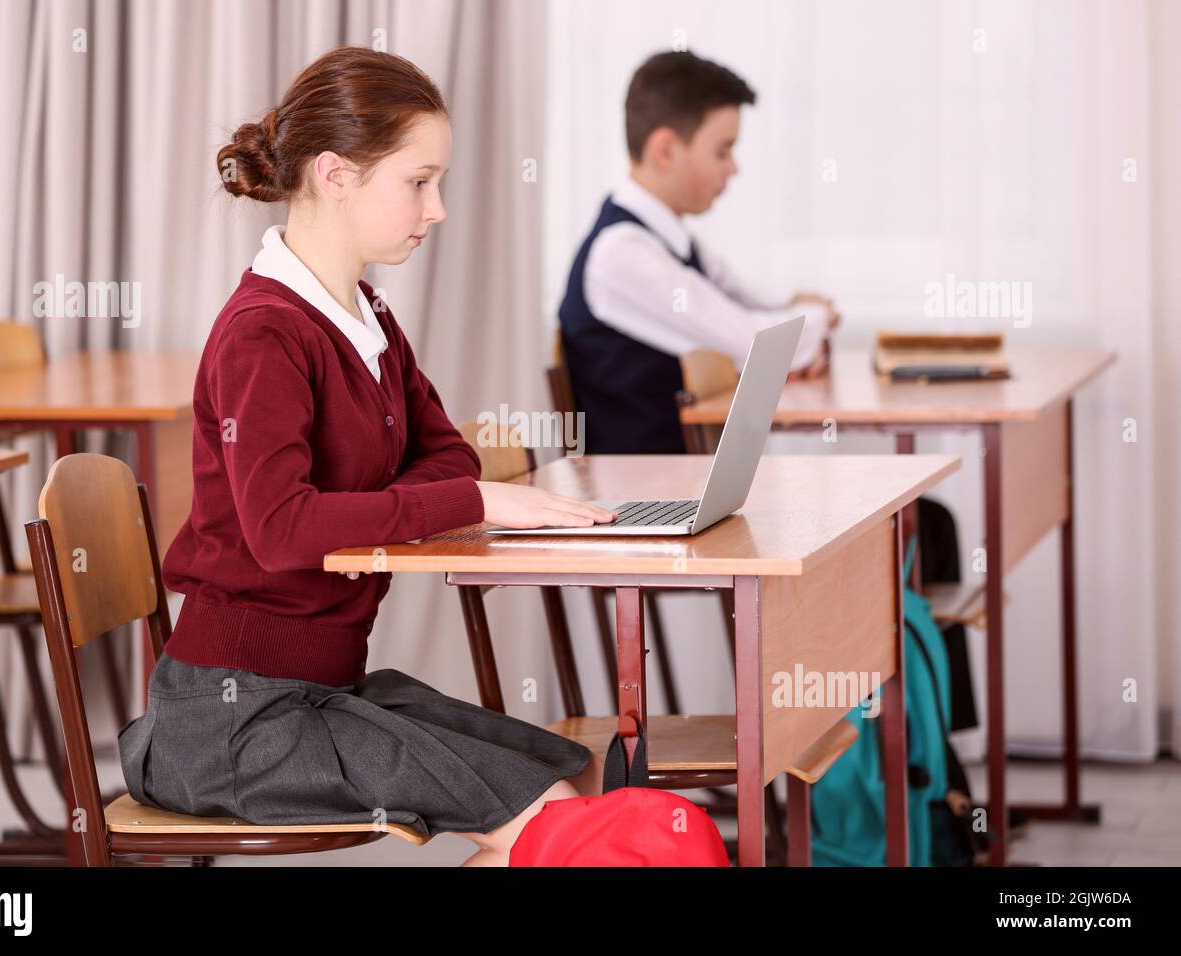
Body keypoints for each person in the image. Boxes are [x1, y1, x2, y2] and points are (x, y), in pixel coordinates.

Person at [117, 47, 613, 867]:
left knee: (576, 774)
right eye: (418, 182)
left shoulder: (367, 320)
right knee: (552, 818)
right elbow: (282, 530)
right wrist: (478, 503)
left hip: (321, 690)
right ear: (336, 174)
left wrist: (424, 495)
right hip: (234, 719)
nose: (439, 207)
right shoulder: (263, 333)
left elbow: (449, 456)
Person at [559, 50, 840, 454]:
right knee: (916, 514)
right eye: (723, 151)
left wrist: (801, 318)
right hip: (647, 494)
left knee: (918, 514)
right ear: (666, 150)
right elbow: (760, 346)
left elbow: (758, 305)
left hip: (690, 478)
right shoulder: (623, 253)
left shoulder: (673, 240)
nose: (734, 168)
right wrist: (819, 319)